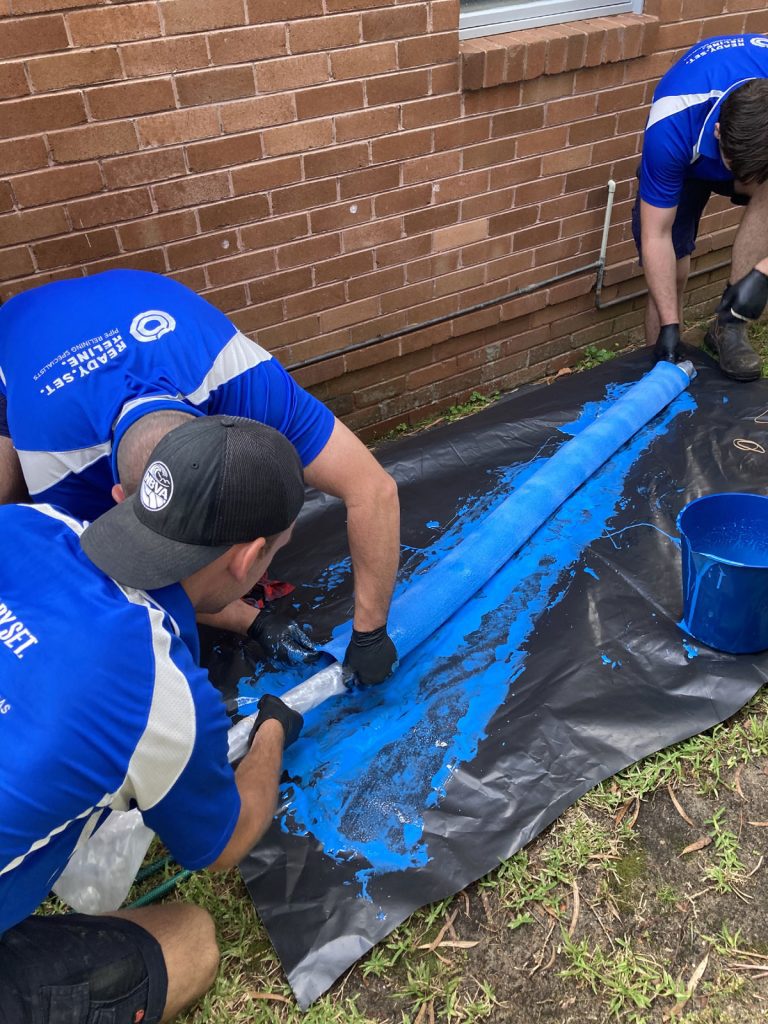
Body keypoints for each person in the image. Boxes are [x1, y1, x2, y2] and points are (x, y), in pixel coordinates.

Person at [0, 415, 308, 1023]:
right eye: (272, 553)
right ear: (249, 558)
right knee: (191, 941)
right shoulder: (158, 693)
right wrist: (273, 730)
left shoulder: (27, 523)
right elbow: (224, 843)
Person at [0, 269, 399, 684]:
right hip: (20, 340)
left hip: (140, 309)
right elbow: (123, 579)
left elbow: (373, 488)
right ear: (118, 499)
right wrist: (252, 621)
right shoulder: (58, 471)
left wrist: (370, 633)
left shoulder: (248, 384)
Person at [632, 34, 768, 379]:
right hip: (688, 153)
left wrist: (762, 273)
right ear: (719, 132)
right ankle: (662, 362)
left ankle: (729, 326)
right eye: (737, 170)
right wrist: (670, 326)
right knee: (673, 265)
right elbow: (656, 234)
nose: (741, 182)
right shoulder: (670, 128)